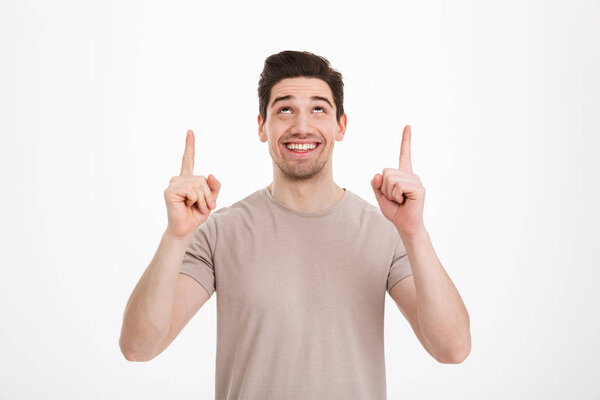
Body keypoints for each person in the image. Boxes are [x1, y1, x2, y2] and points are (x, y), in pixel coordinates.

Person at [119, 50, 471, 399]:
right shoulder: (220, 233)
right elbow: (138, 347)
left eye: (318, 109)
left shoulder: (384, 232)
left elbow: (453, 350)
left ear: (340, 126)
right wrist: (175, 237)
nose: (302, 126)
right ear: (262, 126)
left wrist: (415, 233)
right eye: (284, 109)